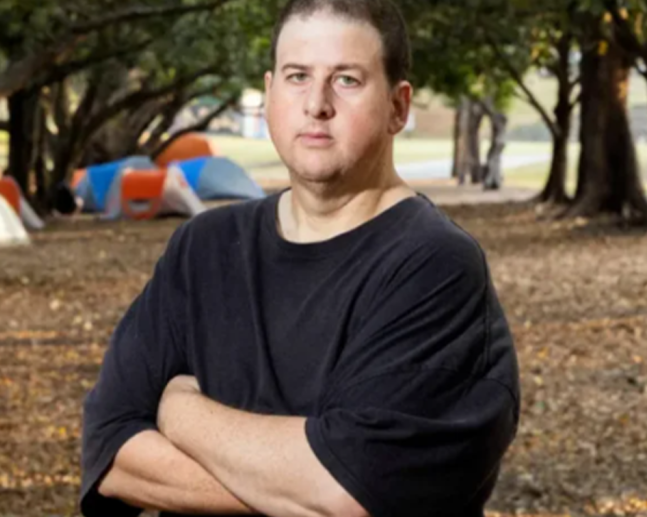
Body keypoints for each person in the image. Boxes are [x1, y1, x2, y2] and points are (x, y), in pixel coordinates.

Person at [80, 1, 521, 516]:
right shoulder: (202, 248)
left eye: (347, 80)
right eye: (296, 76)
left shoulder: (433, 267)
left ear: (398, 107)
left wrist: (181, 412)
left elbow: (347, 494)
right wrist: (290, 483)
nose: (316, 103)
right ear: (269, 92)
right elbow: (110, 450)